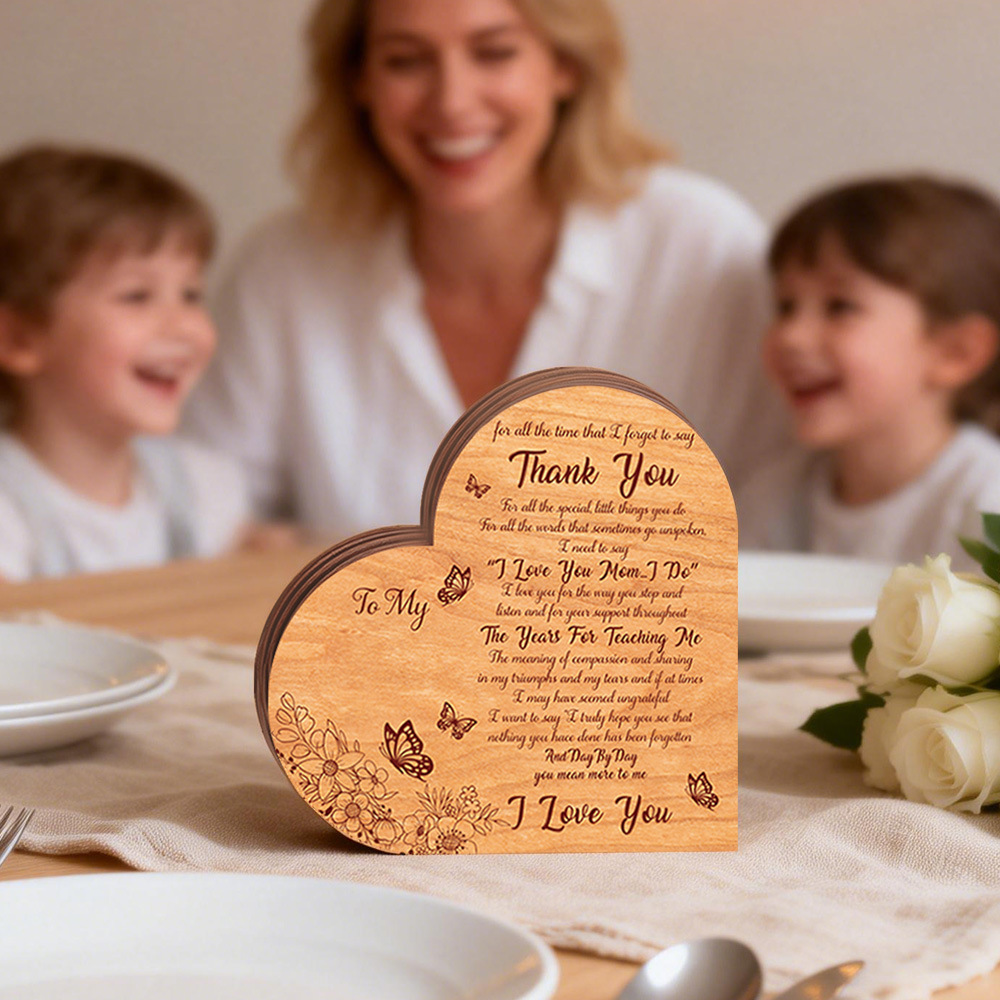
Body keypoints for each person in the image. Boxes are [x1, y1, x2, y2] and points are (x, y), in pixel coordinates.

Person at [188, 0, 787, 541]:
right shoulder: (283, 269)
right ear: (359, 81)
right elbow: (193, 517)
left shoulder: (699, 247)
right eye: (406, 61)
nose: (452, 101)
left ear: (566, 66)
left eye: (494, 52)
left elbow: (787, 518)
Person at [0, 144, 255, 581]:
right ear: (20, 338)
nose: (184, 327)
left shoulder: (207, 486)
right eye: (136, 296)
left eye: (191, 295)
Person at [737, 175, 1000, 570]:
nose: (790, 336)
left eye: (839, 306)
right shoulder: (773, 496)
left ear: (955, 352)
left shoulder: (985, 501)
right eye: (786, 306)